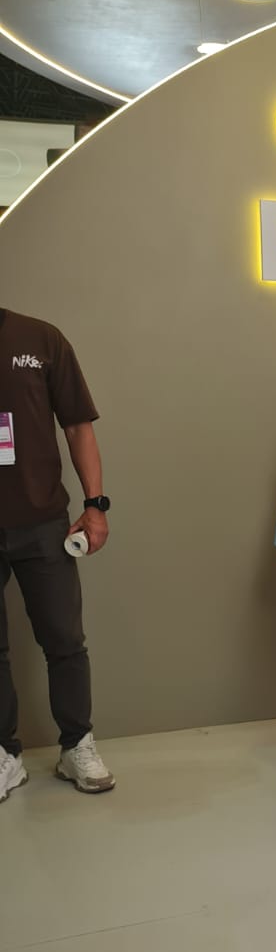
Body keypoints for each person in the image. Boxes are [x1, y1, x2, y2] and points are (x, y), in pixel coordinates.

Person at [0, 309, 114, 799]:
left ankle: (76, 746)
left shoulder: (41, 339)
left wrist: (95, 505)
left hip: (43, 521)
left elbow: (77, 427)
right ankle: (5, 755)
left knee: (65, 641)